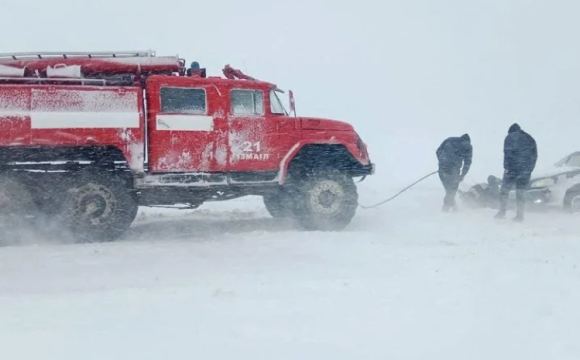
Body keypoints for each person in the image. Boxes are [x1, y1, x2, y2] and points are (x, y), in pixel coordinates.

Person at [495, 123, 538, 222]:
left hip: (512, 169)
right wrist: (530, 169)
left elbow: (507, 152)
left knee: (504, 191)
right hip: (525, 170)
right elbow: (534, 155)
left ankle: (502, 212)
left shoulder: (510, 137)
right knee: (520, 192)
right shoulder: (530, 138)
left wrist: (507, 167)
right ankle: (520, 215)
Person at [436, 134, 473, 211]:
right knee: (451, 191)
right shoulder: (468, 146)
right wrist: (462, 174)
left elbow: (438, 151)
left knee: (449, 190)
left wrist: (442, 162)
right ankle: (445, 209)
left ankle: (454, 207)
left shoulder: (449, 139)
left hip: (442, 170)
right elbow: (467, 163)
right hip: (454, 171)